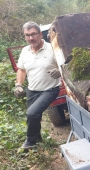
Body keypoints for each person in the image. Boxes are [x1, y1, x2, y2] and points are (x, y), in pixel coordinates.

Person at [14, 21, 61, 150]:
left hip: (50, 89)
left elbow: (64, 64)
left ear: (40, 34)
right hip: (32, 90)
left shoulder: (52, 48)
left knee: (31, 113)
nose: (31, 38)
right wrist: (18, 84)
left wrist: (60, 71)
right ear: (24, 36)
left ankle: (30, 142)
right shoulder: (24, 51)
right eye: (27, 35)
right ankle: (38, 138)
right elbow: (22, 70)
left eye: (34, 34)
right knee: (35, 115)